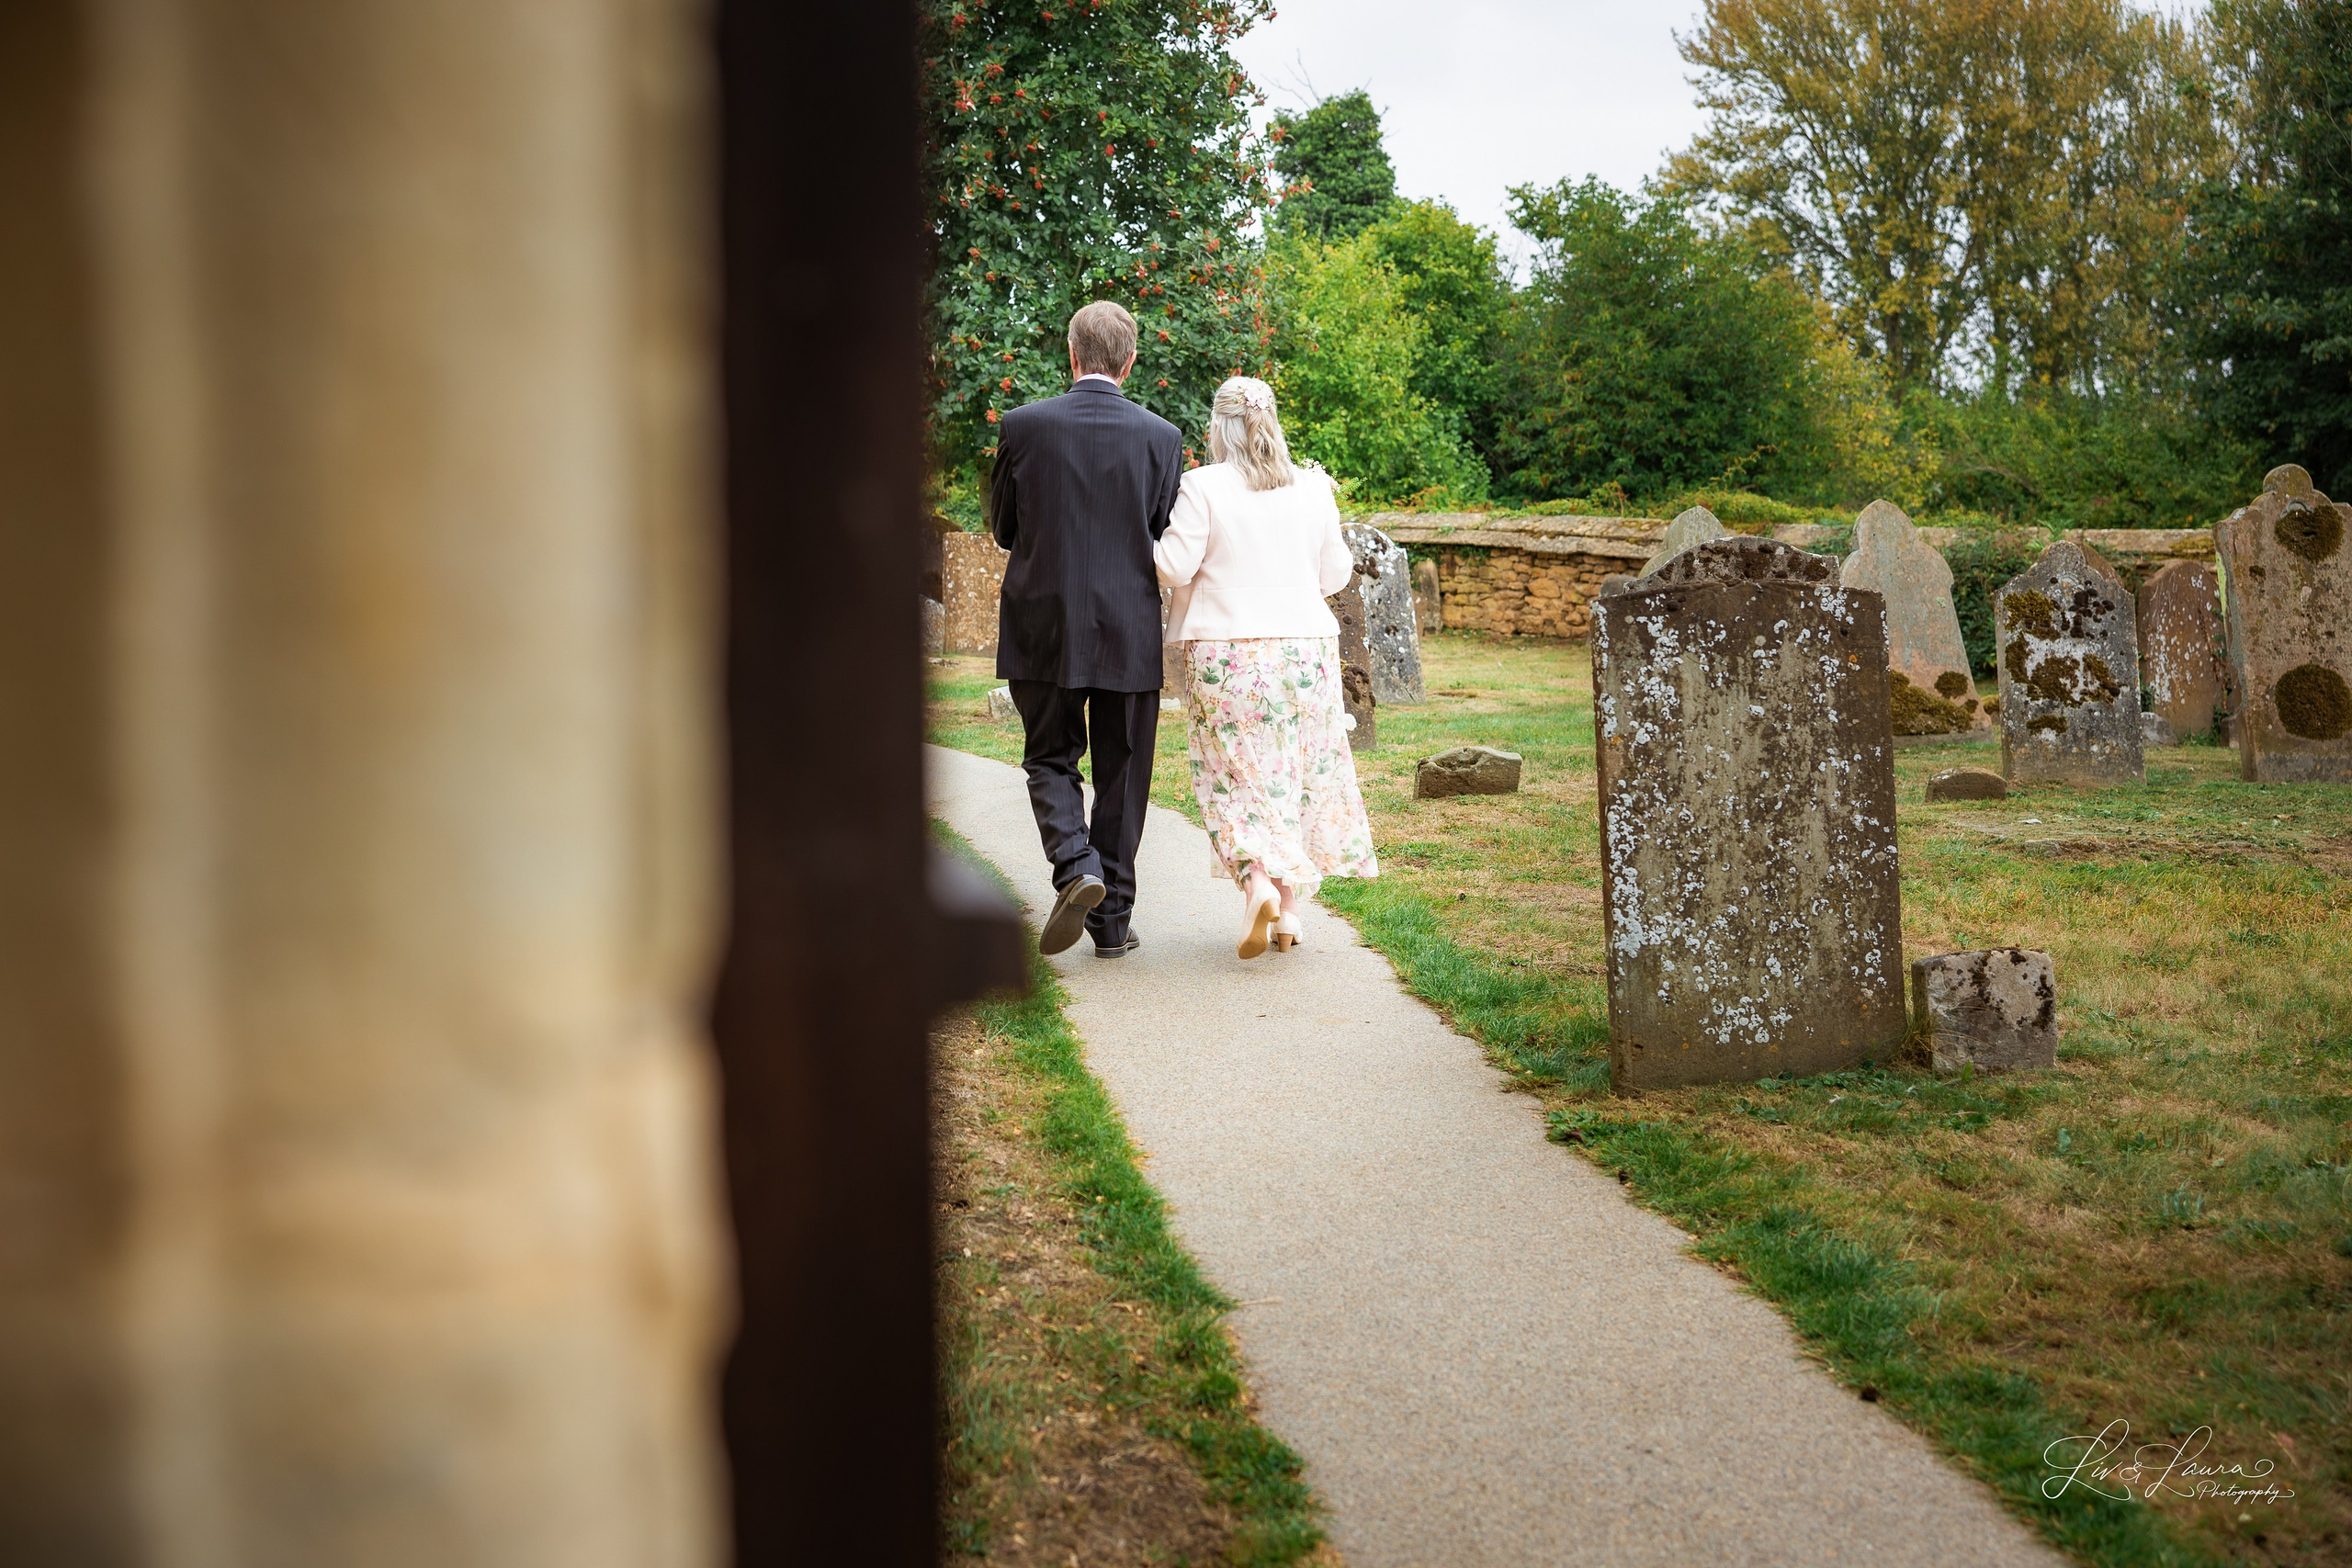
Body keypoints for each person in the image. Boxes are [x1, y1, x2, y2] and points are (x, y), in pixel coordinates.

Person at [1154, 377, 1378, 959]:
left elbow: (1173, 567)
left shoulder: (1201, 485)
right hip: (1304, 651)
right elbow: (1335, 575)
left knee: (1236, 774)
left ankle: (1257, 883)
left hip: (1227, 653)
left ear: (1217, 426)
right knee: (1293, 772)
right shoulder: (1313, 487)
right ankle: (1290, 913)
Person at [990, 300, 1183, 957]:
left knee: (1050, 756)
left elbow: (1004, 528)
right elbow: (1162, 535)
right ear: (1130, 361)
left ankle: (1076, 867)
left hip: (1042, 622)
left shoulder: (1022, 426)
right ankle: (1112, 923)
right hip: (1128, 624)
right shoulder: (1162, 437)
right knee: (1124, 770)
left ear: (1071, 355)